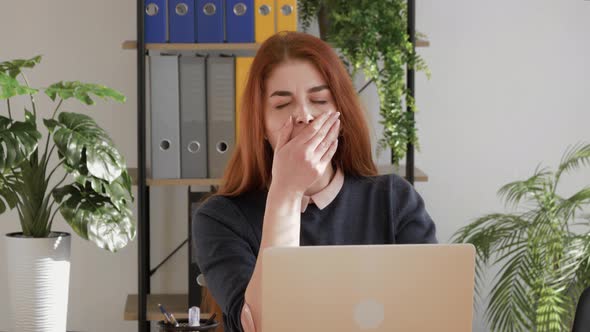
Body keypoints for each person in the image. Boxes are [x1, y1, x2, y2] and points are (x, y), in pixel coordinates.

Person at [193, 31, 437, 332]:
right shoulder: (220, 218)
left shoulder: (394, 199)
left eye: (319, 99)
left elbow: (432, 313)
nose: (304, 115)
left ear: (341, 114)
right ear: (261, 126)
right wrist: (286, 190)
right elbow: (263, 325)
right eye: (282, 105)